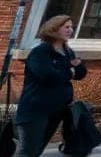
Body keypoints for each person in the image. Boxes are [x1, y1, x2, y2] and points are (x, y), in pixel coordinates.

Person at [14, 15, 86, 157]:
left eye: (71, 27)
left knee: (38, 149)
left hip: (57, 109)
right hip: (35, 109)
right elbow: (47, 75)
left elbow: (80, 74)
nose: (70, 30)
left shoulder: (68, 51)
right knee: (27, 151)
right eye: (66, 27)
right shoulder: (40, 52)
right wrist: (69, 71)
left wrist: (78, 66)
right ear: (54, 28)